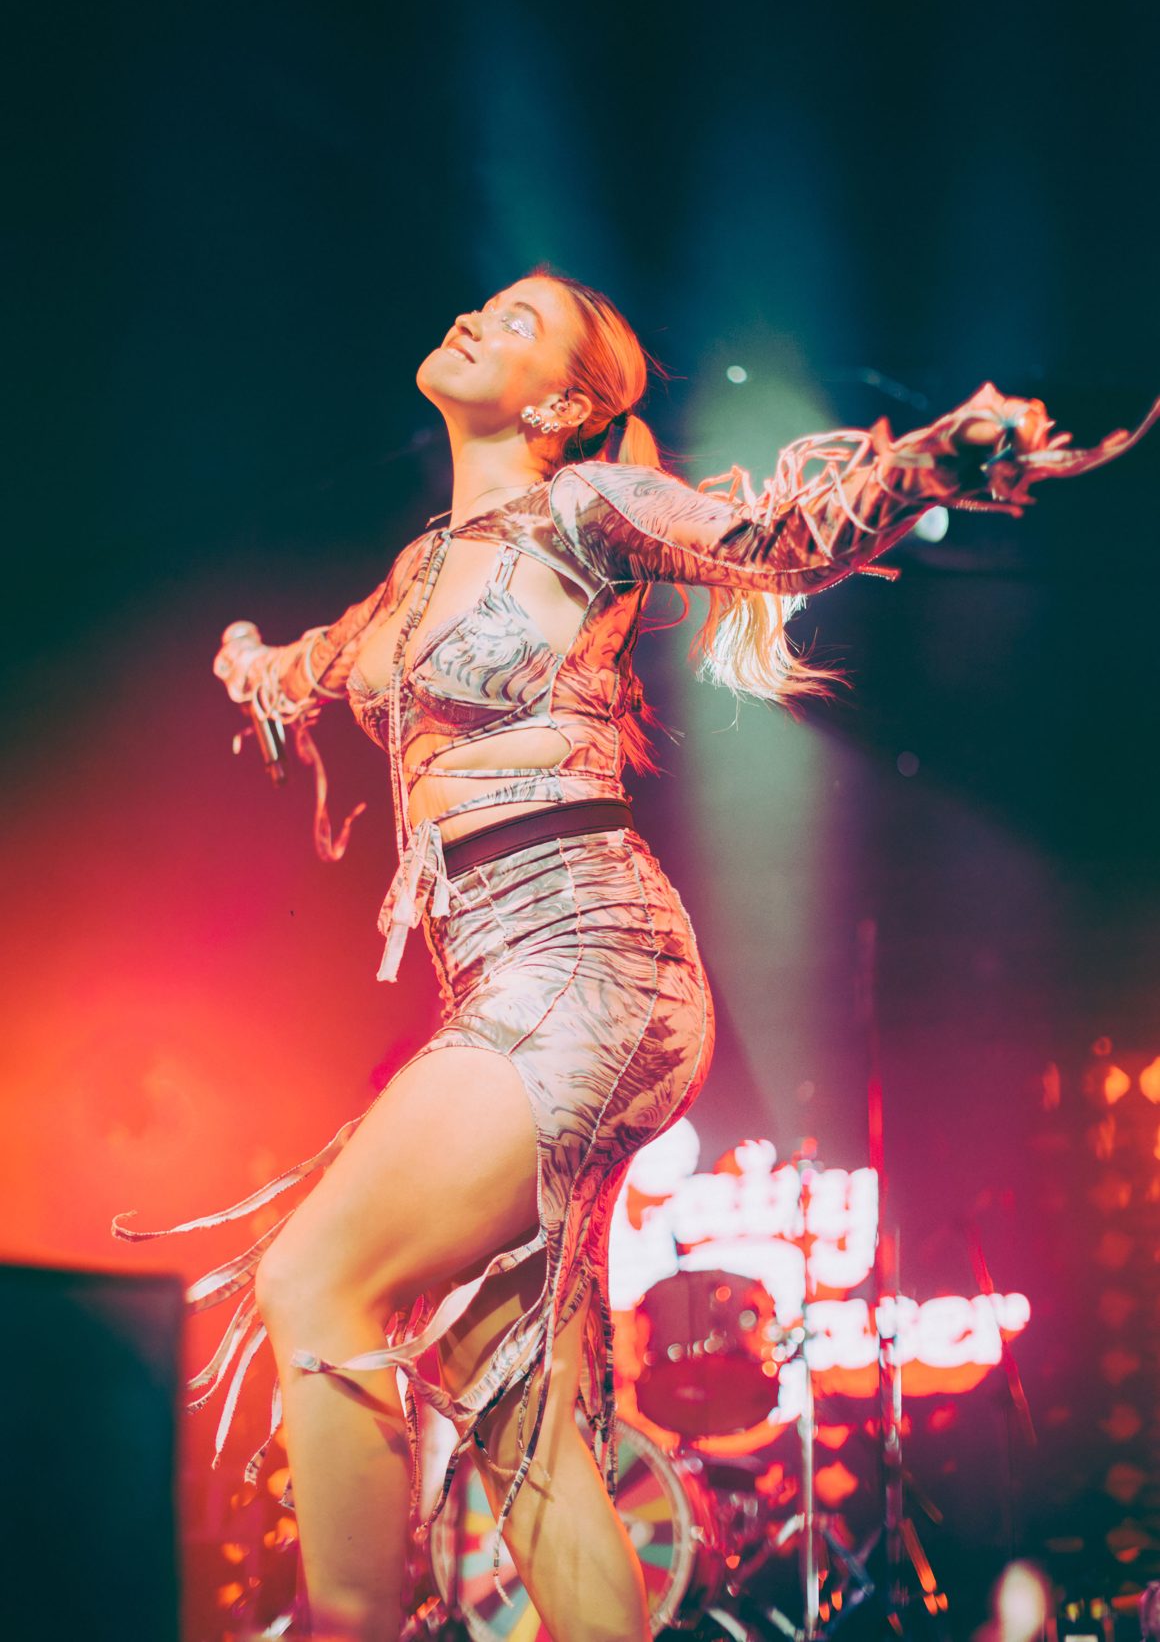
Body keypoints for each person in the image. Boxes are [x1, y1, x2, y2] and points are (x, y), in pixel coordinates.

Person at [113, 269, 1157, 1642]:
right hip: (504, 983)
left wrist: (928, 460)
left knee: (313, 1280)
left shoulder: (587, 509)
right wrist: (252, 662)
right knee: (522, 1426)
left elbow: (769, 537)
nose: (477, 318)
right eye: (486, 303)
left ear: (560, 406)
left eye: (522, 323)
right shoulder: (414, 575)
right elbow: (317, 666)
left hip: (592, 962)